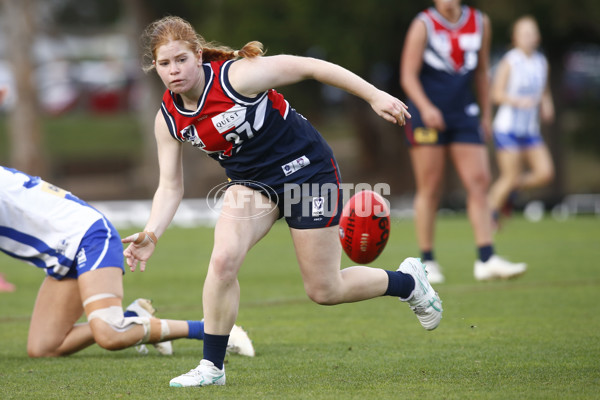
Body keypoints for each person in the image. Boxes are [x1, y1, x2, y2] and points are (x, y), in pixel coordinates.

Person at [122, 15, 442, 388]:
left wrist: (375, 95)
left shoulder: (237, 77)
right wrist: (152, 233)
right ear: (155, 67)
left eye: (181, 59)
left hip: (307, 172)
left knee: (324, 290)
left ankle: (408, 283)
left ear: (197, 55)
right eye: (164, 63)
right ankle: (212, 367)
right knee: (223, 260)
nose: (174, 70)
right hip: (251, 185)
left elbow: (311, 67)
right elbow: (170, 187)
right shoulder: (170, 119)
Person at [0, 165, 254, 358]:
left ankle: (210, 330)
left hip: (88, 237)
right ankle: (135, 317)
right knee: (43, 347)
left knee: (111, 334)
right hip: (62, 255)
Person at [400, 0, 527, 283]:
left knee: (479, 181)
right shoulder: (424, 24)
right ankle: (427, 261)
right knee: (430, 186)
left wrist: (485, 114)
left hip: (464, 113)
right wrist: (426, 107)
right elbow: (408, 76)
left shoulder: (480, 22)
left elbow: (482, 72)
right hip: (426, 114)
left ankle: (486, 258)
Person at [488, 16, 555, 225]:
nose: (529, 37)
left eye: (532, 33)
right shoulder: (510, 61)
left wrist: (547, 104)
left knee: (545, 173)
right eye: (524, 33)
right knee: (509, 177)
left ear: (538, 37)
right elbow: (495, 94)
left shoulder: (541, 62)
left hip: (530, 130)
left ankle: (509, 193)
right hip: (507, 128)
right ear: (515, 38)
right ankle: (489, 221)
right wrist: (517, 101)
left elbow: (544, 90)